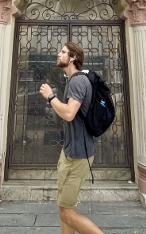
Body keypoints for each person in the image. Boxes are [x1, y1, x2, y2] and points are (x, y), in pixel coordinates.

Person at [39, 42, 104, 234]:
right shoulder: (73, 80)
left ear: (73, 57)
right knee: (64, 209)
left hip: (78, 155)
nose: (58, 54)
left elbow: (68, 114)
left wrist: (51, 97)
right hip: (70, 152)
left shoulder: (77, 81)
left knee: (67, 212)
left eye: (63, 52)